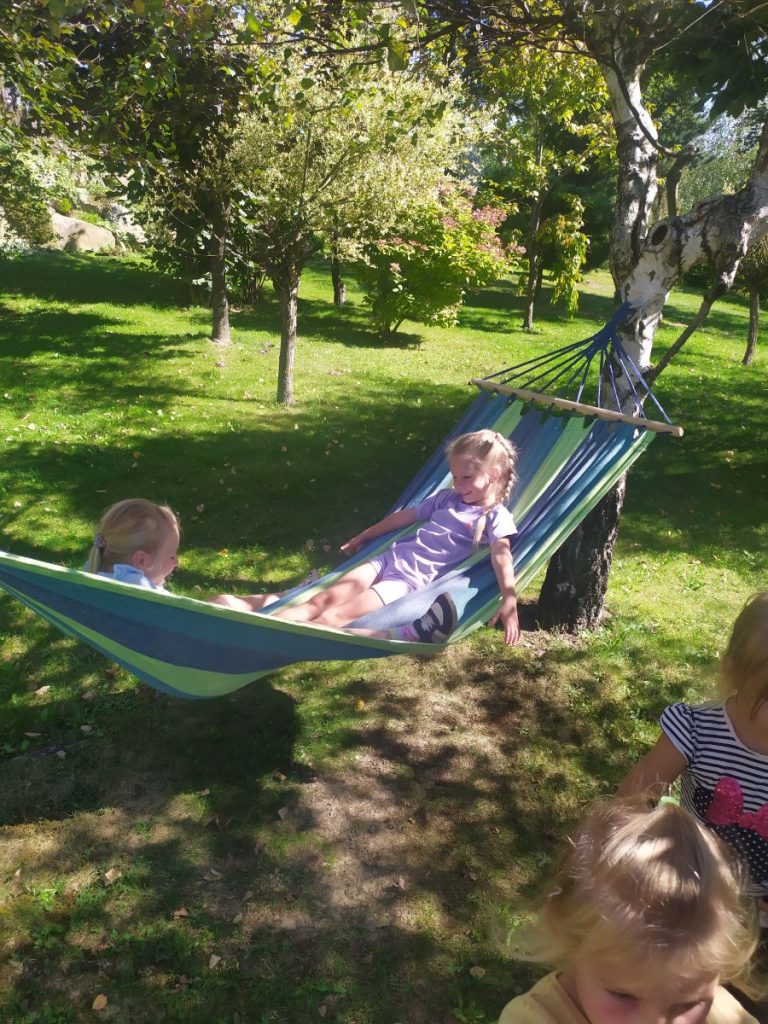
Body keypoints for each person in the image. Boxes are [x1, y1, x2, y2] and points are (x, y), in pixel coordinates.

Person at [498, 797, 761, 1024]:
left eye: (686, 1005)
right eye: (623, 995)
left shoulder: (724, 1014)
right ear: (570, 941)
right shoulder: (531, 1017)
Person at [274, 429, 520, 645]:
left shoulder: (495, 516)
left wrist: (509, 598)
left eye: (467, 477)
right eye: (454, 477)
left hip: (406, 581)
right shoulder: (446, 498)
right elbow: (406, 516)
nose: (458, 484)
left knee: (334, 617)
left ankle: (275, 645)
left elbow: (501, 556)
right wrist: (365, 535)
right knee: (319, 601)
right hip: (386, 560)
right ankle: (259, 628)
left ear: (493, 475)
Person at [619, 592, 768, 903]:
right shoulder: (696, 729)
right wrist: (637, 856)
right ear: (734, 673)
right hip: (695, 888)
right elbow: (635, 795)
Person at [85, 498, 280, 608]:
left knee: (226, 602)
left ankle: (286, 598)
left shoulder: (96, 576)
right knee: (225, 603)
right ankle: (291, 600)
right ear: (142, 560)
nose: (177, 562)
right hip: (190, 642)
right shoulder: (136, 585)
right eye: (171, 556)